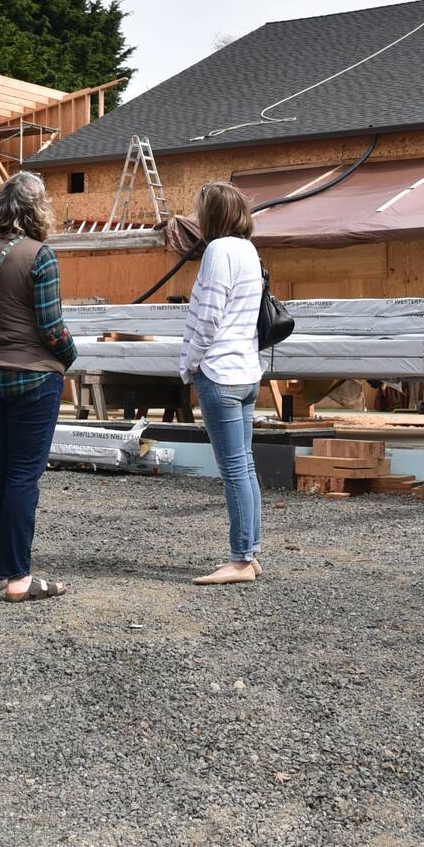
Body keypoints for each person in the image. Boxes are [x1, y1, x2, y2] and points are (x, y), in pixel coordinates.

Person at [0, 172, 76, 603]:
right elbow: (52, 327)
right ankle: (20, 579)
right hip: (35, 379)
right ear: (37, 209)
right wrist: (69, 356)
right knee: (24, 476)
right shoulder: (41, 256)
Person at [179, 182, 266, 586]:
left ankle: (240, 560)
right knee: (245, 466)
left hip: (220, 372)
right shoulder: (249, 250)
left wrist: (191, 364)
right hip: (247, 371)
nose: (196, 218)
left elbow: (208, 316)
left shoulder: (217, 251)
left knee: (233, 469)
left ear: (212, 215)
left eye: (200, 211)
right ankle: (251, 550)